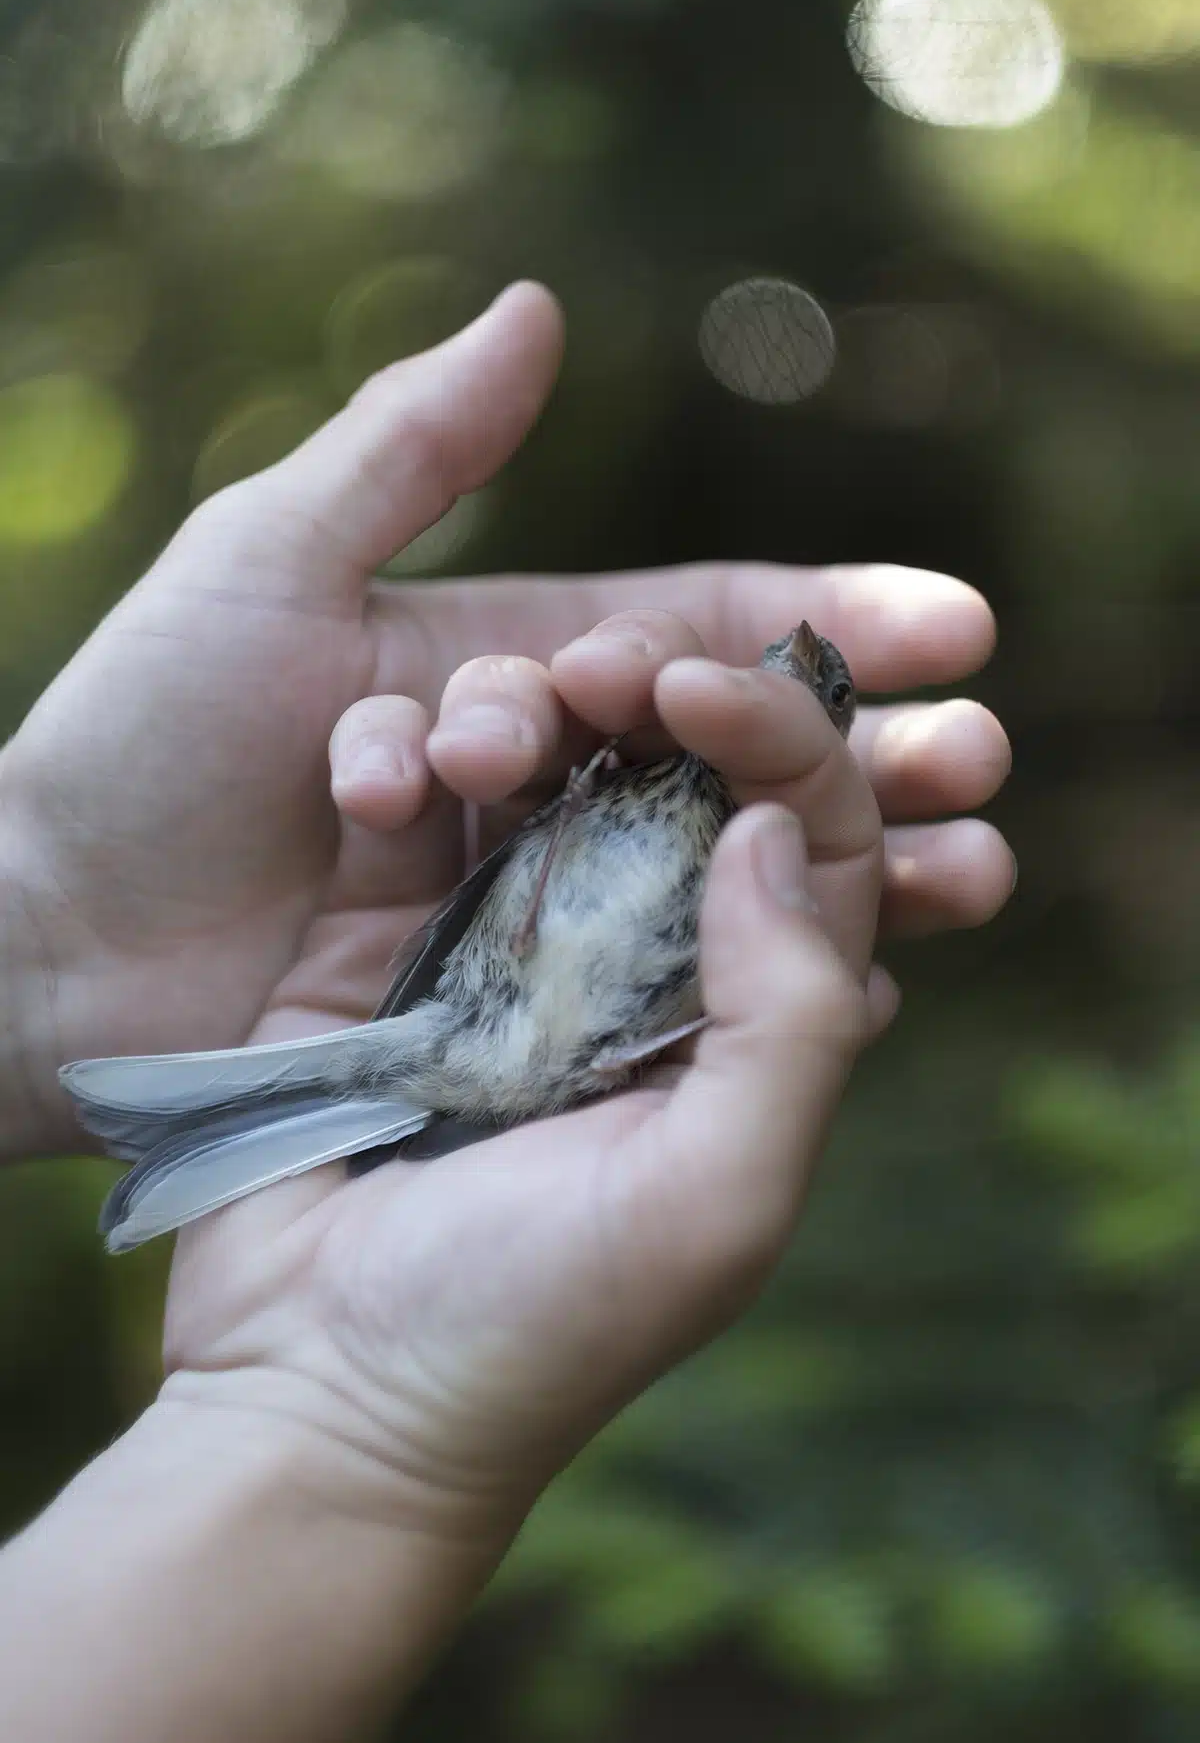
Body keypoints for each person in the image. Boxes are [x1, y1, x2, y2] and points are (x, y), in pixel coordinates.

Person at [0, 283, 1013, 1741]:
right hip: (480, 1007)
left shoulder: (763, 835)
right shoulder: (656, 768)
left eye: (817, 684)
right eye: (787, 666)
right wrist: (34, 925)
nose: (789, 673)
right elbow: (521, 883)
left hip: (517, 1053)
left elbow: (637, 1009)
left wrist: (336, 1417)